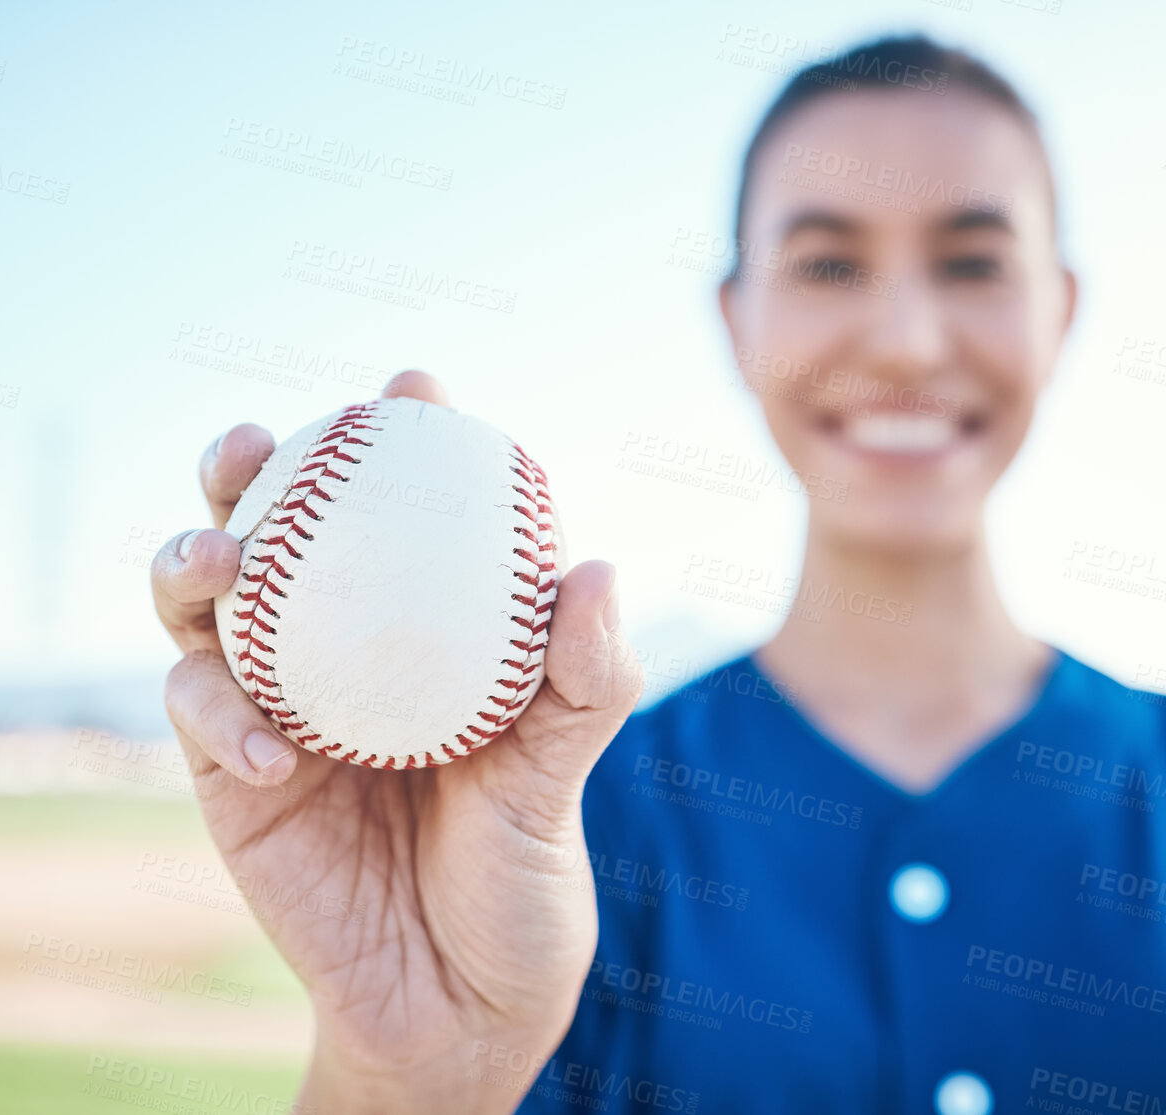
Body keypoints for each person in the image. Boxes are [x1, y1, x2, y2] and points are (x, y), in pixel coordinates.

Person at [148, 35, 1166, 1114]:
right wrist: (406, 1067)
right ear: (736, 319)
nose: (907, 340)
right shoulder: (548, 828)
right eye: (827, 262)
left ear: (1059, 308)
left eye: (971, 261)